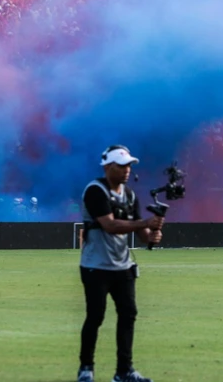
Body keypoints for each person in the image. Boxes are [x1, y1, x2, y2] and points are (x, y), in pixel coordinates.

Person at [78, 145, 162, 382]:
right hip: (96, 265)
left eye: (129, 165)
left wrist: (152, 234)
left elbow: (143, 236)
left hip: (123, 266)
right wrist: (144, 223)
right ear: (107, 167)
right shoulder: (95, 191)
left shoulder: (131, 195)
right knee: (95, 316)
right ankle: (86, 368)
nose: (127, 170)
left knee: (128, 314)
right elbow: (110, 226)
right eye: (121, 165)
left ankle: (124, 370)